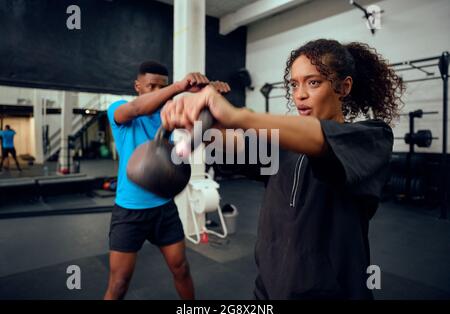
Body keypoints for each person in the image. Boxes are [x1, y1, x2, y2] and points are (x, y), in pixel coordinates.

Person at [161, 39, 405, 299]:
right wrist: (198, 123)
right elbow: (233, 144)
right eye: (294, 84)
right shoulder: (280, 146)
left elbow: (320, 138)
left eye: (313, 82)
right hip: (270, 288)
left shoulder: (371, 138)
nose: (299, 94)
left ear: (343, 87)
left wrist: (237, 115)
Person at [104, 61, 229, 300]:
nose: (156, 92)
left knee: (181, 269)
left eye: (160, 86)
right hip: (130, 211)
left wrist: (212, 98)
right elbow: (136, 109)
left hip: (164, 209)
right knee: (119, 284)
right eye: (151, 86)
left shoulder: (167, 114)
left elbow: (196, 138)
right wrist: (178, 86)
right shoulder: (119, 109)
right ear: (137, 86)